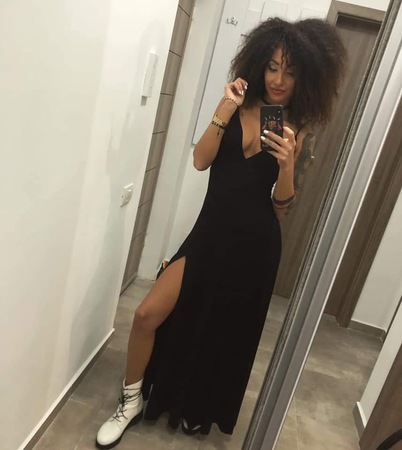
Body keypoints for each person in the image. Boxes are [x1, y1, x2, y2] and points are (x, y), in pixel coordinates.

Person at [95, 17, 346, 449]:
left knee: (222, 334)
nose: (278, 79)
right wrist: (223, 109)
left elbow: (282, 207)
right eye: (272, 67)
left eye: (289, 71)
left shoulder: (298, 128)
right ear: (259, 64)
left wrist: (287, 164)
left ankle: (196, 407)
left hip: (255, 248)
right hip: (209, 235)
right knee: (146, 315)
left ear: (304, 76)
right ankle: (130, 401)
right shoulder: (236, 106)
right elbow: (200, 161)